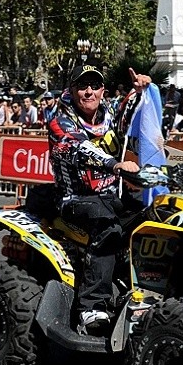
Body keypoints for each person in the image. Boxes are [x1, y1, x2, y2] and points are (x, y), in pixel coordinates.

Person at [48, 63, 161, 336]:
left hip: (111, 196)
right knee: (108, 223)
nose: (89, 92)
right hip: (74, 200)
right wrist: (115, 165)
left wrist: (144, 92)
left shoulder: (109, 112)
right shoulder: (59, 118)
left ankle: (148, 291)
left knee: (155, 216)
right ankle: (91, 308)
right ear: (72, 89)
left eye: (95, 86)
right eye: (82, 86)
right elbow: (80, 149)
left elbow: (131, 129)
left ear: (102, 89)